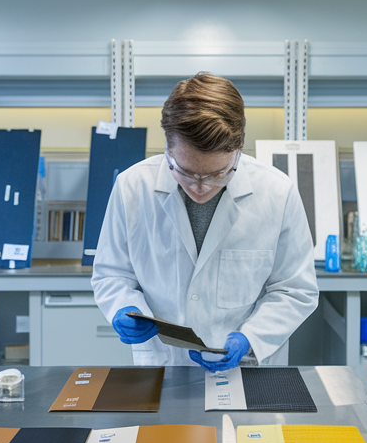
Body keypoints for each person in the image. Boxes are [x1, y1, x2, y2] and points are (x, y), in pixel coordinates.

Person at [91, 73, 319, 372]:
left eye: (218, 174)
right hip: (164, 363)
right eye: (185, 172)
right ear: (168, 148)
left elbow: (295, 289)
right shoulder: (132, 187)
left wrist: (251, 338)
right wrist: (124, 307)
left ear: (238, 150)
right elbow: (112, 274)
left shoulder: (277, 192)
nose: (200, 188)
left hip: (246, 368)